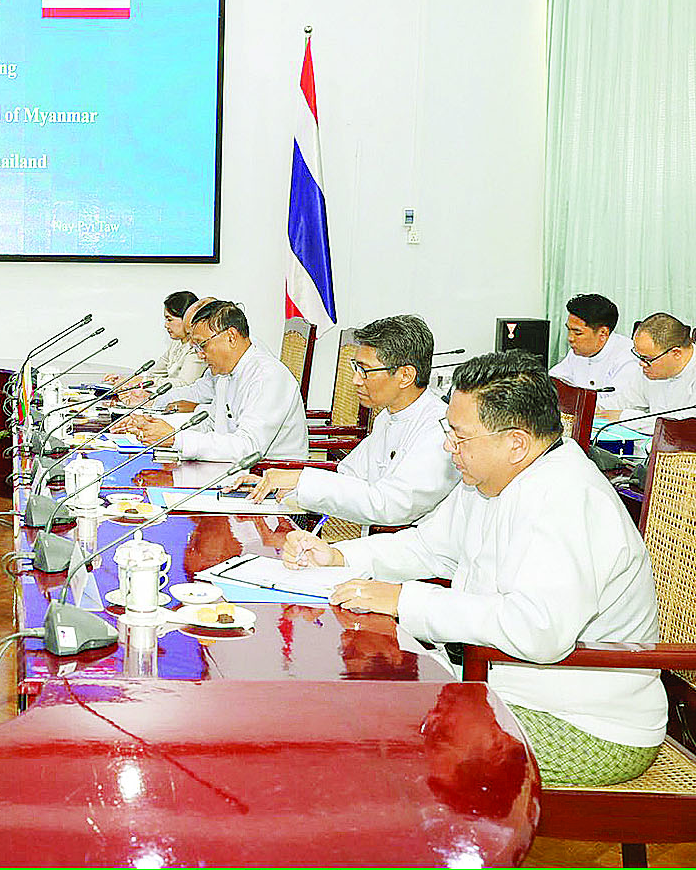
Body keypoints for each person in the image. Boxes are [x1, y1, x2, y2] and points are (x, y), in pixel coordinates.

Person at [279, 351, 665, 787]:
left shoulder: (569, 498)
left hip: (585, 723)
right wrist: (340, 556)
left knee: (392, 747)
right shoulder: (493, 476)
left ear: (516, 443)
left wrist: (407, 601)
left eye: (459, 437)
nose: (448, 447)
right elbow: (430, 547)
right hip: (496, 683)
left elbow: (539, 630)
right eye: (448, 431)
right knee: (360, 707)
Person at [247, 315, 458, 526]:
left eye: (365, 370)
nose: (356, 379)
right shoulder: (387, 416)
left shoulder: (440, 429)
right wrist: (283, 484)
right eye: (356, 367)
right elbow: (349, 475)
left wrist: (302, 481)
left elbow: (390, 506)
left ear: (405, 376)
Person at [113, 300, 309, 461]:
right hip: (232, 472)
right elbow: (210, 425)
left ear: (231, 337)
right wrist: (154, 425)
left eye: (202, 345)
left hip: (269, 480)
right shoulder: (225, 373)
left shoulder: (267, 376)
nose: (200, 355)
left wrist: (176, 439)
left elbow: (248, 447)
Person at [605, 311, 696, 431]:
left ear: (676, 353)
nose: (641, 363)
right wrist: (593, 407)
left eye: (647, 359)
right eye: (639, 356)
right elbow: (625, 400)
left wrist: (624, 416)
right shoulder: (649, 369)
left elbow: (681, 428)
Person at [102, 291, 208, 391]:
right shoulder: (176, 343)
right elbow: (155, 373)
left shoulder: (198, 348)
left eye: (169, 320)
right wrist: (126, 380)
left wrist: (143, 381)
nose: (166, 325)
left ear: (187, 319)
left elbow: (185, 383)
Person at [548, 293, 640, 393]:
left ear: (603, 333)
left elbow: (615, 399)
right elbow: (554, 380)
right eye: (569, 330)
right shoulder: (578, 351)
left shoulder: (628, 357)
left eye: (577, 333)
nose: (570, 338)